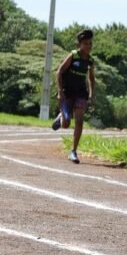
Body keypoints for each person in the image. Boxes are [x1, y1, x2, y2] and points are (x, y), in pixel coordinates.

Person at [51, 29, 96, 164]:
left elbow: (92, 79)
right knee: (66, 124)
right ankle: (61, 117)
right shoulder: (73, 56)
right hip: (67, 92)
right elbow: (59, 72)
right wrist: (60, 91)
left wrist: (91, 94)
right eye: (86, 43)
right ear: (80, 44)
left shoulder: (90, 61)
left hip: (80, 93)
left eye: (90, 43)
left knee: (80, 120)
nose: (88, 46)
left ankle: (73, 151)